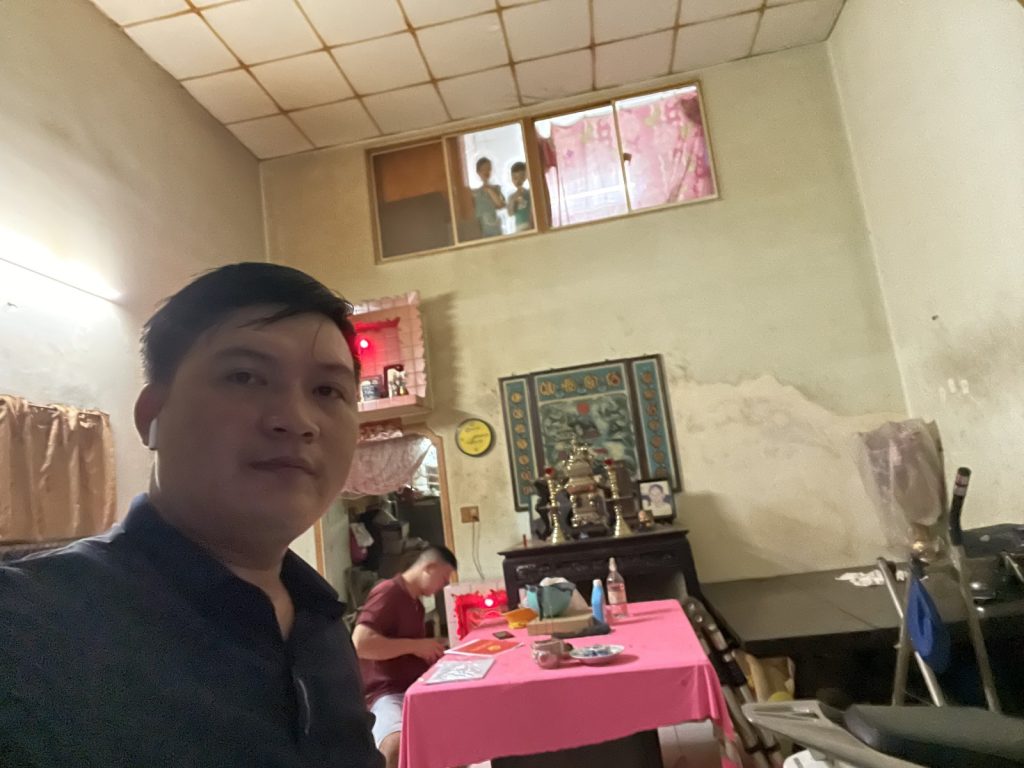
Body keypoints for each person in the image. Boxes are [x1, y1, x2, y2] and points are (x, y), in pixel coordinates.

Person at [0, 263, 383, 768]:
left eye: (328, 391)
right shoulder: (27, 625)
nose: (296, 420)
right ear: (151, 416)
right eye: (244, 377)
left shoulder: (323, 626)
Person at [352, 547, 458, 768]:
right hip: (386, 691)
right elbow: (360, 643)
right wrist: (416, 646)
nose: (443, 585)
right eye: (444, 578)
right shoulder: (389, 591)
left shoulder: (416, 603)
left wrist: (431, 651)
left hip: (412, 687)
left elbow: (407, 649)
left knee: (459, 725)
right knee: (396, 745)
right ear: (429, 568)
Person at [472, 156, 506, 238]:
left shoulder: (496, 188)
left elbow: (500, 204)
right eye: (483, 169)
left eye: (488, 168)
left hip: (495, 228)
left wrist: (489, 189)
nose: (486, 171)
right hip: (481, 229)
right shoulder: (475, 193)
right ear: (478, 172)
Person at [506, 161, 533, 232]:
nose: (518, 181)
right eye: (515, 178)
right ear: (512, 179)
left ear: (525, 177)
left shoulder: (530, 193)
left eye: (521, 177)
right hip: (519, 227)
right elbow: (510, 213)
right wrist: (514, 200)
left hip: (531, 225)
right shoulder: (511, 197)